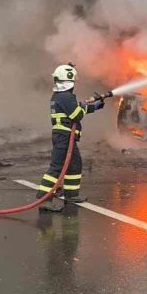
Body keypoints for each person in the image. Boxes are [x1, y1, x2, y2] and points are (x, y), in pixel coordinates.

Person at [37, 63, 105, 212]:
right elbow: (76, 114)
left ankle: (71, 194)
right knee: (57, 168)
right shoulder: (65, 97)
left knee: (74, 164)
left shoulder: (62, 96)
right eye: (73, 79)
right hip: (64, 137)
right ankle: (44, 200)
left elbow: (75, 109)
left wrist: (94, 106)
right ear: (68, 80)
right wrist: (87, 107)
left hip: (67, 137)